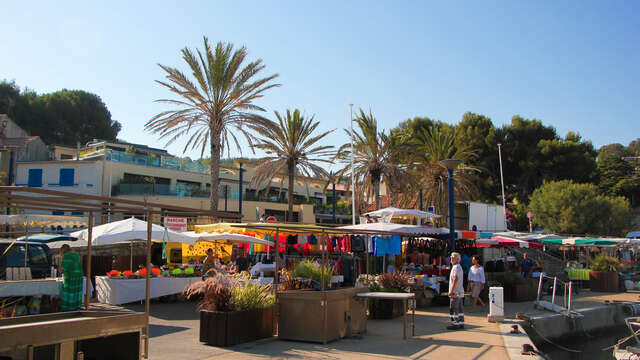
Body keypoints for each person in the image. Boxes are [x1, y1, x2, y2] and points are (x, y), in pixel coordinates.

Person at [60, 244, 83, 311]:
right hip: (79, 274)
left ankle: (69, 307)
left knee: (69, 291)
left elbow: (63, 268)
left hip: (70, 275)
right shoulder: (75, 254)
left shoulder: (66, 255)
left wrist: (61, 269)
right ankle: (77, 306)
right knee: (77, 291)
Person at [447, 252, 465, 330]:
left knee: (453, 307)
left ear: (457, 259)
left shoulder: (456, 267)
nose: (451, 258)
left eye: (453, 257)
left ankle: (455, 323)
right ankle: (461, 322)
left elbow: (455, 279)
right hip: (459, 291)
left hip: (455, 291)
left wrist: (451, 290)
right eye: (451, 257)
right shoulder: (458, 267)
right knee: (460, 308)